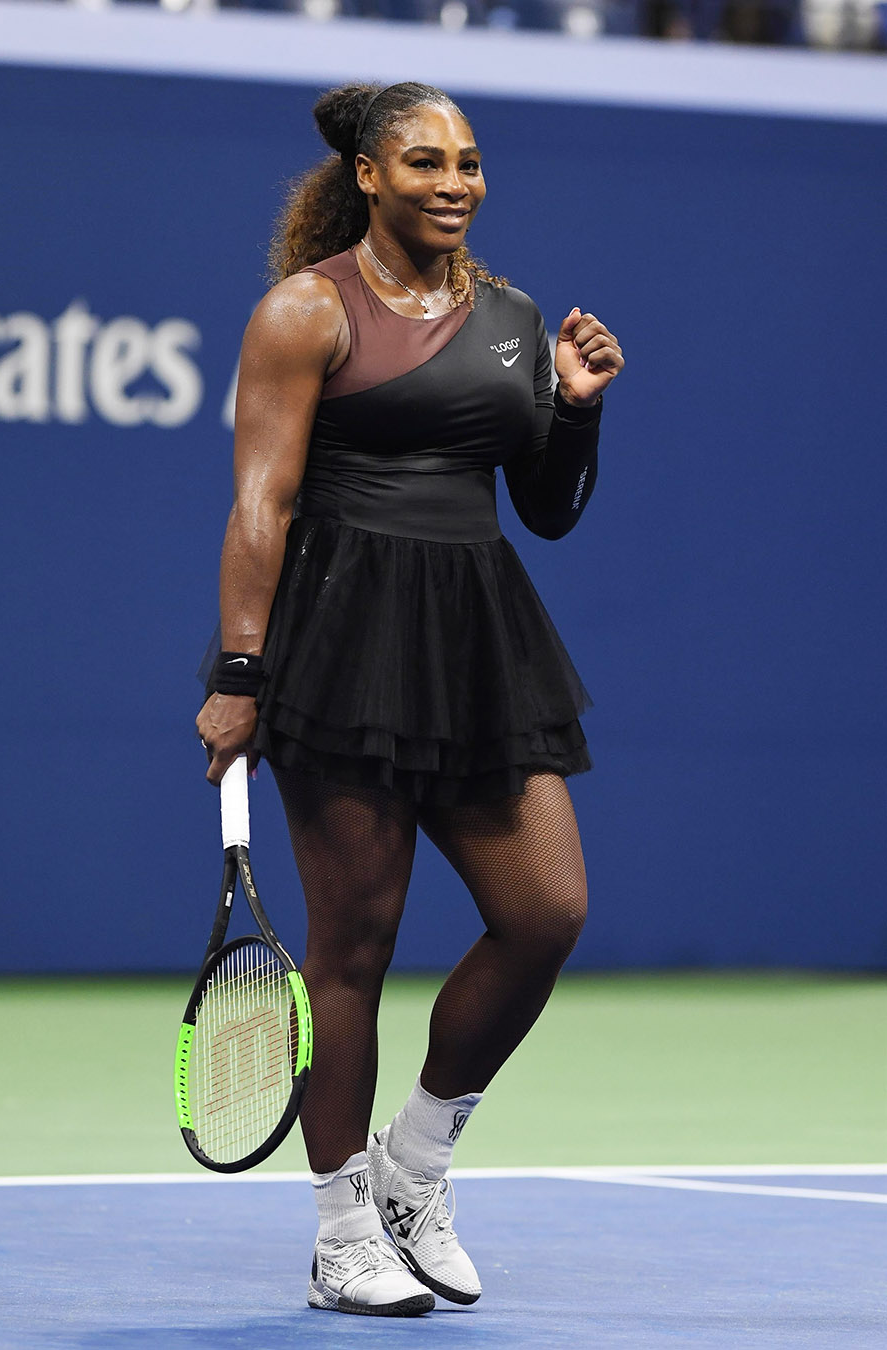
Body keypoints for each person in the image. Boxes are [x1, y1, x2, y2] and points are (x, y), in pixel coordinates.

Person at [196, 80, 624, 1318]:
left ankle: (415, 1168)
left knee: (546, 912)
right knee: (357, 947)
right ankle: (341, 1229)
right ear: (370, 177)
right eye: (426, 161)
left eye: (471, 162)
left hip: (478, 644)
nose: (455, 182)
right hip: (337, 646)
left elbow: (545, 509)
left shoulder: (512, 315)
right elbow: (261, 506)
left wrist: (578, 414)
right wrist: (239, 671)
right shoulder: (304, 311)